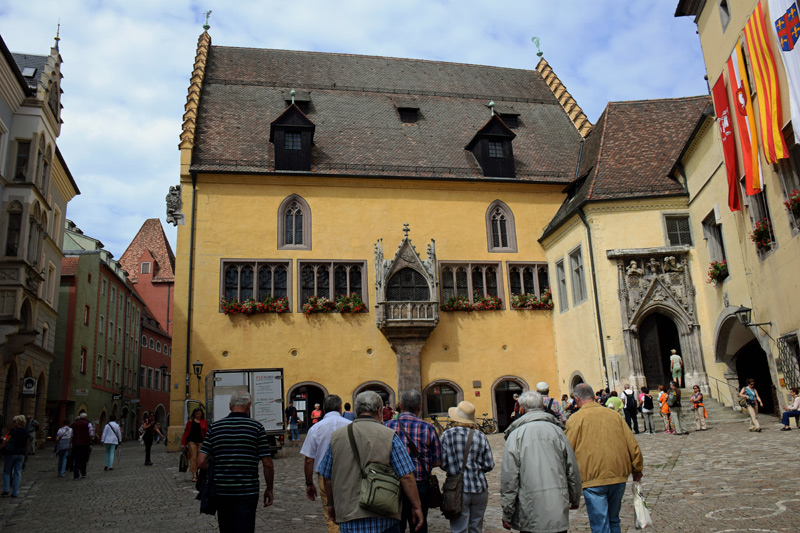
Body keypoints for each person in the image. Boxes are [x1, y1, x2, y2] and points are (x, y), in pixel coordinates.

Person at [319, 391, 423, 532]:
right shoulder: (389, 436)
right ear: (380, 410)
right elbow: (406, 476)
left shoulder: (337, 437)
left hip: (349, 516)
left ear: (357, 410)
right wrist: (416, 506)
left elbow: (327, 476)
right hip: (383, 515)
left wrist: (331, 505)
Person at [566, 384, 643, 533]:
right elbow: (632, 444)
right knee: (614, 519)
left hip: (592, 477)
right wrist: (637, 468)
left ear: (577, 399)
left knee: (600, 523)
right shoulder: (613, 415)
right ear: (593, 396)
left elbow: (568, 450)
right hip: (618, 474)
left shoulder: (575, 419)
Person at [501, 391, 581, 533]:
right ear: (542, 407)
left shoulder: (515, 435)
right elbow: (572, 468)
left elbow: (509, 478)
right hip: (557, 505)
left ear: (522, 409)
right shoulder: (557, 432)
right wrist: (574, 497)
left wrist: (507, 511)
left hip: (529, 509)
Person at [197, 389, 274, 533]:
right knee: (245, 527)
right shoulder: (256, 428)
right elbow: (267, 463)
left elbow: (200, 462)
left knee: (226, 528)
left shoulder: (215, 427)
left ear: (230, 406)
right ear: (249, 406)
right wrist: (269, 488)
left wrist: (219, 467)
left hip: (222, 489)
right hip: (247, 490)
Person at [385, 389, 442, 533]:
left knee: (396, 524)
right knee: (419, 524)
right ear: (420, 407)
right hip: (420, 484)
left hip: (393, 484)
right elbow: (437, 461)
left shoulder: (387, 426)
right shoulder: (428, 428)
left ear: (400, 405)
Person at [440, 400, 495, 532]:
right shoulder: (480, 436)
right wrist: (476, 469)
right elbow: (489, 464)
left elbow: (442, 463)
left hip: (457, 489)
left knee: (459, 528)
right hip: (479, 487)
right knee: (476, 528)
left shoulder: (447, 435)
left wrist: (454, 468)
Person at [301, 394, 351, 533]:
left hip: (325, 476)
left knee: (331, 515)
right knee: (349, 511)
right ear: (340, 408)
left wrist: (309, 483)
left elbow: (309, 459)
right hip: (348, 476)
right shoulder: (350, 426)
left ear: (323, 409)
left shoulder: (316, 428)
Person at [1, 415, 29, 497]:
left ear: (17, 423)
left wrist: (1, 446)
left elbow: (6, 440)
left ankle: (6, 489)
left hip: (11, 453)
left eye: (14, 422)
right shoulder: (25, 432)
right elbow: (27, 444)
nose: (13, 423)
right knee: (17, 472)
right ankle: (15, 492)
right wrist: (26, 453)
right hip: (21, 454)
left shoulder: (13, 431)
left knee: (7, 471)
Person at [182, 408, 209, 481]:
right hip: (192, 441)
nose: (198, 415)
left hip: (201, 441)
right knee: (193, 457)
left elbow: (206, 432)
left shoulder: (203, 421)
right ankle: (194, 474)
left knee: (200, 457)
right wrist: (183, 443)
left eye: (200, 413)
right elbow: (186, 433)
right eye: (197, 413)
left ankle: (198, 472)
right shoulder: (190, 422)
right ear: (194, 414)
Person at [71, 412, 92, 479]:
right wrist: (90, 440)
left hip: (76, 443)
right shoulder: (88, 424)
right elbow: (91, 433)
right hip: (85, 443)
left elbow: (71, 434)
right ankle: (83, 473)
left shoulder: (74, 424)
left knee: (76, 458)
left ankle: (76, 474)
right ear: (86, 417)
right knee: (84, 458)